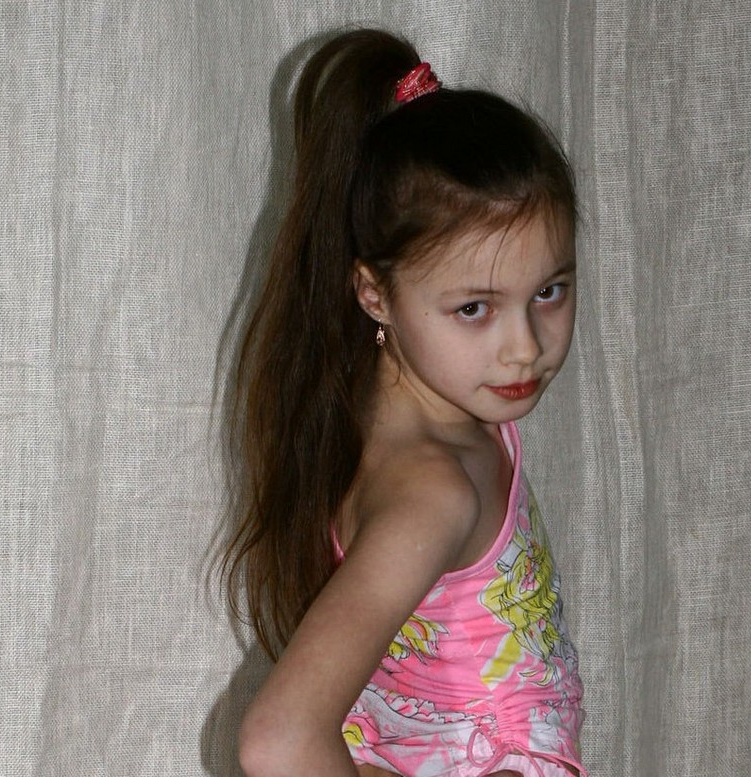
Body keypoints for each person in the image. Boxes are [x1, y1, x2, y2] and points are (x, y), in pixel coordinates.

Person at [219, 27, 586, 777]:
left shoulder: (413, 414)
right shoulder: (431, 492)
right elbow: (280, 740)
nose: (524, 347)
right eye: (475, 308)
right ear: (374, 294)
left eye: (548, 292)